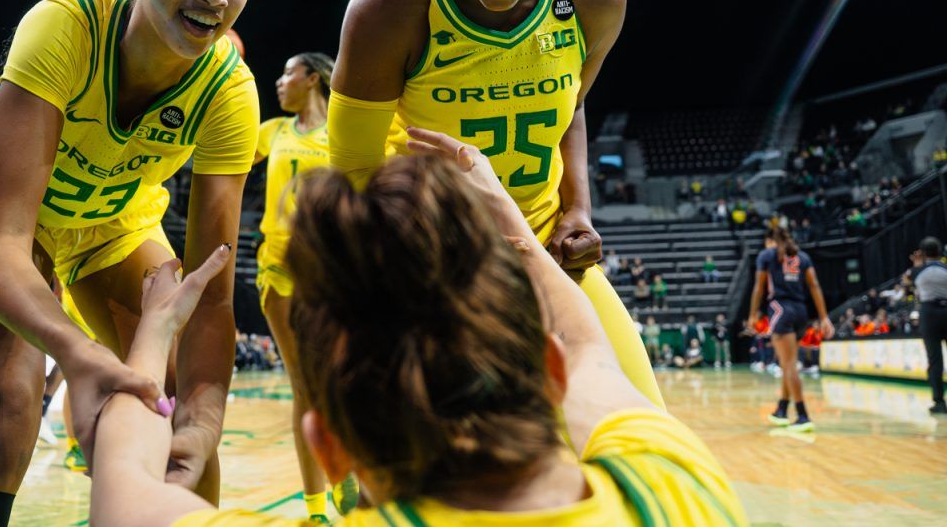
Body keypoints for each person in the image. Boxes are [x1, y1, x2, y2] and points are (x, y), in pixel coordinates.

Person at [86, 130, 748, 526]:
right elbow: (587, 347)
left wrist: (156, 328)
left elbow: (123, 483)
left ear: (330, 448)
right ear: (548, 374)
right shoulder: (670, 479)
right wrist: (507, 216)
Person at [0, 0, 262, 526]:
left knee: (176, 417)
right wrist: (80, 355)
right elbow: (0, 244)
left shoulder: (230, 92)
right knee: (7, 409)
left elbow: (211, 293)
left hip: (118, 227)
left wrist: (205, 417)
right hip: (19, 228)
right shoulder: (63, 27)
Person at [327, 0, 661, 408]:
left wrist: (577, 210)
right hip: (429, 261)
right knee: (416, 464)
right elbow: (353, 165)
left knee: (642, 429)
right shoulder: (387, 3)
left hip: (541, 251)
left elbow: (571, 104)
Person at [251, 52, 357, 523]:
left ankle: (350, 472)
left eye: (287, 71)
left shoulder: (346, 130)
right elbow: (217, 153)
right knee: (305, 385)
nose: (279, 81)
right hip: (280, 271)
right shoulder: (271, 132)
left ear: (312, 78)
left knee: (344, 379)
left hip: (336, 273)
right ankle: (317, 507)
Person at [749, 232, 833, 430]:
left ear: (771, 241)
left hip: (780, 308)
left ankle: (803, 415)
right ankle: (782, 409)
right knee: (788, 363)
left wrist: (753, 314)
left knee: (788, 365)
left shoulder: (767, 255)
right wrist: (823, 317)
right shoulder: (803, 257)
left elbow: (758, 289)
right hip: (801, 312)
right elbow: (814, 285)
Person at [909, 236, 947, 414]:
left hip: (929, 314)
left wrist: (917, 263)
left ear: (923, 253)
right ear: (940, 252)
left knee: (935, 360)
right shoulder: (945, 268)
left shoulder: (917, 271)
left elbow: (909, 281)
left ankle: (939, 402)